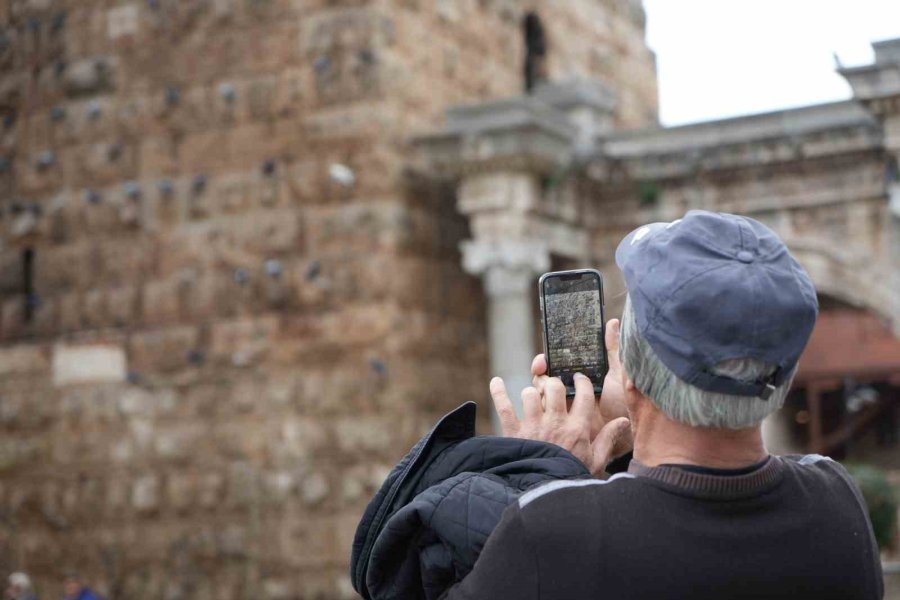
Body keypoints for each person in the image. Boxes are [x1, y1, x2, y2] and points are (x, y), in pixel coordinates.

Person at [442, 210, 883, 599]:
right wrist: (635, 424)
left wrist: (537, 476)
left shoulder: (550, 530)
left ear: (628, 367)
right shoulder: (836, 503)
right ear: (783, 380)